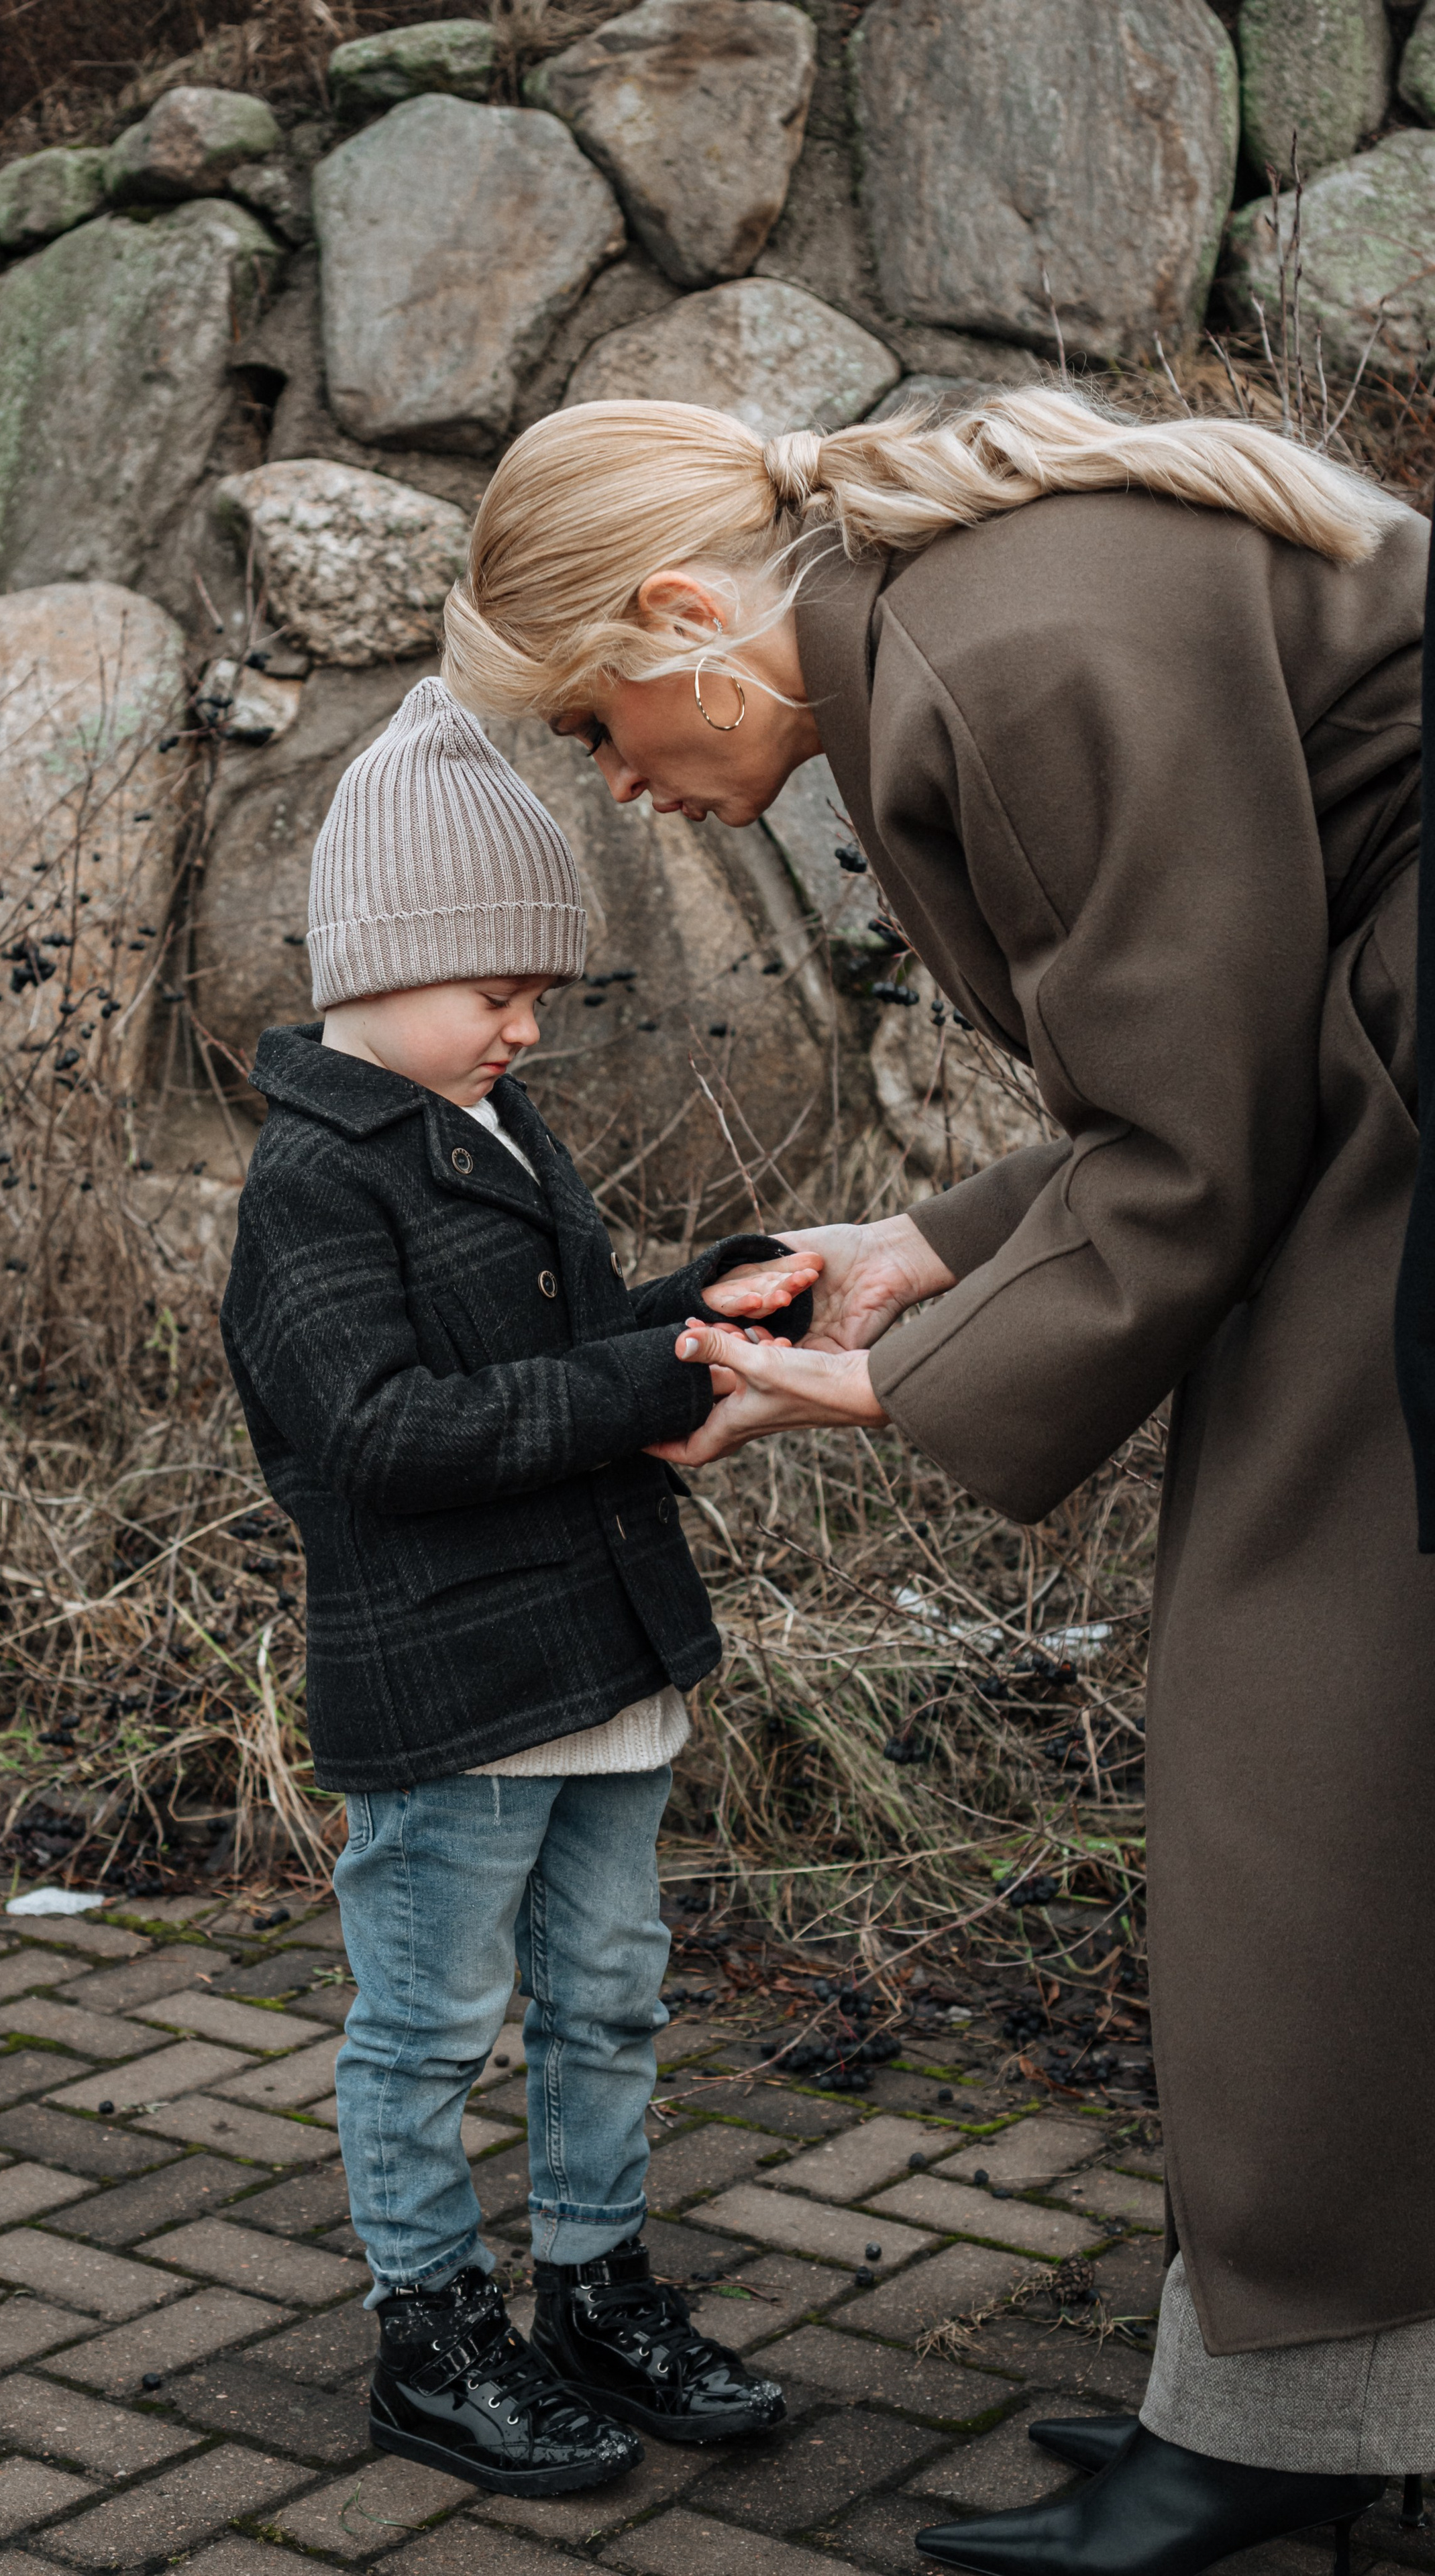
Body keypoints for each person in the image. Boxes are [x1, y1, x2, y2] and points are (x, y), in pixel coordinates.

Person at [441, 391, 1433, 2572]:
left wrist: (877, 1393)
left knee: (1304, 1745)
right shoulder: (968, 601)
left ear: (688, 619)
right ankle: (1296, 2392)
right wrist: (923, 1258)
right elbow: (1208, 1060)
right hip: (1382, 1094)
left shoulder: (993, 655)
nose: (618, 779)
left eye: (597, 716)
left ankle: (1290, 2423)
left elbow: (1199, 1155)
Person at [219, 678, 816, 2500]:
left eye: (540, 993)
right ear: (389, 963)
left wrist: (694, 1308)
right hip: (459, 1699)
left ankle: (594, 2289)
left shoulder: (489, 1126)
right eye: (502, 989)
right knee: (426, 2026)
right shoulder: (315, 1185)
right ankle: (433, 2337)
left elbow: (550, 1358)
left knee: (612, 1990)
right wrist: (642, 1387)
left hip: (598, 1669)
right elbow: (393, 1435)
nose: (527, 1025)